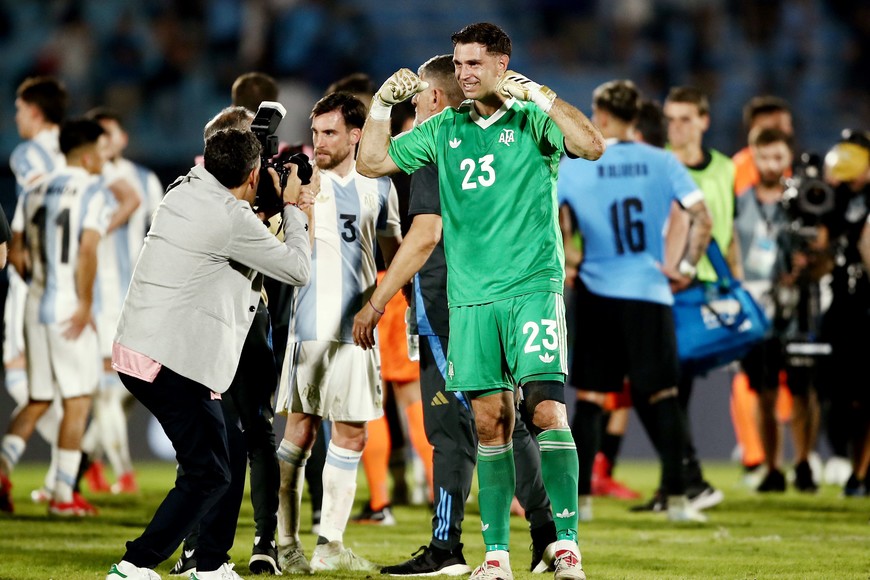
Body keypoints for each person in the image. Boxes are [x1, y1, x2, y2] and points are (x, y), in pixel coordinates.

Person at [356, 22, 605, 580]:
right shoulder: (443, 128)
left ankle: (565, 547)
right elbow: (373, 163)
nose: (465, 74)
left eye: (475, 63)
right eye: (459, 63)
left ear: (501, 63)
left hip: (532, 288)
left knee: (545, 411)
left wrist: (541, 93)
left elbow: (590, 144)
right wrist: (378, 106)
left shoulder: (531, 116)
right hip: (471, 300)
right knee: (491, 421)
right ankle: (497, 557)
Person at [103, 127, 313, 580]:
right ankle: (135, 564)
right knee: (208, 473)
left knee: (231, 452)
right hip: (169, 359)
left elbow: (232, 202)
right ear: (254, 175)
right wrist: (292, 206)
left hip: (145, 347)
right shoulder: (229, 219)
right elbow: (297, 269)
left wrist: (258, 186)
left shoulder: (184, 186)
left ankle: (212, 562)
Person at [559, 79, 713, 524]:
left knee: (590, 399)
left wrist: (570, 257)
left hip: (596, 291)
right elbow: (702, 218)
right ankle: (680, 500)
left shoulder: (578, 164)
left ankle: (580, 502)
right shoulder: (663, 162)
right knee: (663, 396)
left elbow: (554, 219)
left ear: (602, 116)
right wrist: (685, 267)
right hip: (649, 291)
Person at [274, 92, 401, 574]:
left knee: (350, 435)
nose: (319, 142)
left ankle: (329, 545)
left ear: (355, 135)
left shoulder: (379, 187)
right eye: (315, 133)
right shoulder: (300, 180)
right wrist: (293, 201)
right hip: (310, 326)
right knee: (300, 433)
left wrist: (387, 300)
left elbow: (390, 256)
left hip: (359, 330)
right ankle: (285, 542)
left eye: (330, 133)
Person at [1, 119, 114, 517]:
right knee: (78, 402)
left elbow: (14, 252)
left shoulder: (33, 190)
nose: (104, 158)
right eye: (101, 151)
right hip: (68, 309)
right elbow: (86, 250)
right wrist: (83, 303)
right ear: (86, 154)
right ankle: (63, 496)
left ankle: (1, 469)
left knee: (38, 398)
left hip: (34, 308)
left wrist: (39, 283)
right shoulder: (94, 190)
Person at [633, 86, 734, 514]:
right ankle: (679, 481)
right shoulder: (661, 166)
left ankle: (685, 481)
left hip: (698, 292)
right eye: (670, 119)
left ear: (704, 121)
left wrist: (735, 281)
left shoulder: (727, 170)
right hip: (664, 290)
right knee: (661, 390)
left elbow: (729, 230)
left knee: (666, 390)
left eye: (686, 118)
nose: (677, 127)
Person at [77, 107, 160, 496]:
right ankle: (123, 472)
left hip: (140, 294)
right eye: (98, 135)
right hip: (103, 295)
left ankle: (88, 457)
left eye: (109, 133)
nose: (104, 141)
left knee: (133, 386)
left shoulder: (146, 180)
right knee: (108, 387)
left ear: (122, 138)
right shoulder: (87, 179)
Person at [3, 76, 68, 506]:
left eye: (20, 109)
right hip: (68, 289)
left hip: (33, 288)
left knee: (37, 388)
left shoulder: (28, 154)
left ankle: (59, 484)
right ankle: (61, 484)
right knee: (53, 393)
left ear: (36, 111)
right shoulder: (76, 157)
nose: (15, 117)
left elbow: (33, 203)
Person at [818, 129, 870, 497]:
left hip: (865, 304)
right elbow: (823, 249)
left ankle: (862, 471)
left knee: (865, 395)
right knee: (836, 390)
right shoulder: (834, 197)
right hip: (840, 302)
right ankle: (846, 460)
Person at [733, 96, 793, 196]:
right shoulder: (736, 172)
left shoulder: (800, 167)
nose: (787, 131)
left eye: (787, 125)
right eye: (777, 126)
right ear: (754, 130)